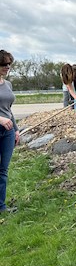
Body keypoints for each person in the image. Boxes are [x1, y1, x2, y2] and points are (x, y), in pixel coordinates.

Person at [0, 50, 20, 213]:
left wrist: (16, 129)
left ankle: (1, 206)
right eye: (4, 64)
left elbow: (9, 110)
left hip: (7, 132)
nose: (7, 67)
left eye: (9, 64)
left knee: (3, 170)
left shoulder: (8, 85)